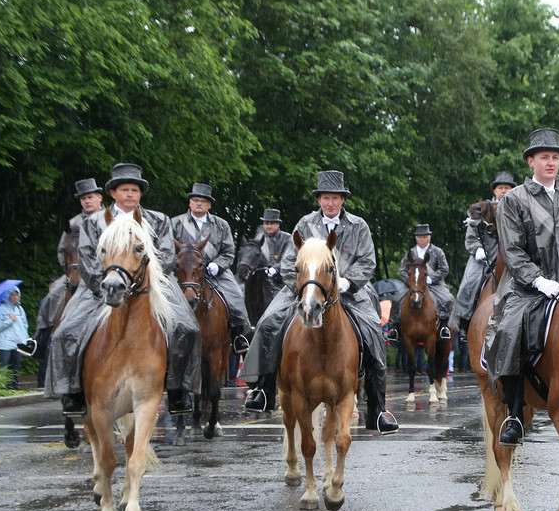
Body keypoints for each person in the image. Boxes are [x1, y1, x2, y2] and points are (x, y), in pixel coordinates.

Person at [240, 170, 398, 434]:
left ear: (342, 200)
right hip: (307, 287)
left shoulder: (358, 226)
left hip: (349, 289)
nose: (330, 203)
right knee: (268, 322)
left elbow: (368, 260)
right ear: (319, 200)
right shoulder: (304, 224)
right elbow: (289, 262)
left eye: (335, 198)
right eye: (326, 198)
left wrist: (349, 282)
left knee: (373, 333)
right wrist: (302, 286)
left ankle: (378, 410)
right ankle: (263, 390)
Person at [44, 163, 201, 416]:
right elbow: (86, 256)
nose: (130, 194)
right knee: (66, 331)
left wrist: (143, 281)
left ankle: (178, 390)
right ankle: (72, 392)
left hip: (154, 282)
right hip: (101, 283)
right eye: (124, 189)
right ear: (113, 194)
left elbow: (167, 255)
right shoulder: (94, 222)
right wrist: (104, 284)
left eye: (134, 190)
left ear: (140, 194)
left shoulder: (158, 220)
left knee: (187, 327)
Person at [483, 128, 559, 446]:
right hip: (525, 286)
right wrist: (538, 280)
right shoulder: (513, 200)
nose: (551, 162)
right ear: (531, 161)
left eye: (555, 157)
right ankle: (515, 412)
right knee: (509, 329)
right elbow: (512, 251)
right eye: (544, 157)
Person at [170, 183, 255, 354]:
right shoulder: (175, 223)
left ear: (209, 205)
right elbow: (167, 249)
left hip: (215, 272)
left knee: (236, 297)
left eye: (203, 201)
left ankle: (239, 336)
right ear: (189, 203)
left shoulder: (221, 225)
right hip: (184, 273)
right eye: (195, 200)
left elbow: (229, 252)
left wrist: (218, 265)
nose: (199, 203)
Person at [33, 178, 104, 379]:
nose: (87, 201)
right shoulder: (73, 223)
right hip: (76, 272)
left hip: (105, 273)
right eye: (83, 198)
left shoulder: (111, 218)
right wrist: (70, 269)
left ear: (99, 197)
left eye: (90, 197)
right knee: (54, 292)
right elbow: (61, 250)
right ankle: (39, 339)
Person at [447, 171, 515, 336]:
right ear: (495, 191)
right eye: (501, 188)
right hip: (483, 257)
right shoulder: (483, 210)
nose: (504, 191)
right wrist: (477, 249)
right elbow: (471, 237)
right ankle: (464, 321)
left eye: (507, 187)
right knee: (470, 283)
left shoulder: (517, 210)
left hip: (512, 256)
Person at [387, 223, 455, 342]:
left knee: (448, 299)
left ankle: (445, 327)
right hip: (413, 285)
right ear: (416, 238)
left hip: (434, 284)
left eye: (424, 237)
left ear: (429, 237)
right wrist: (410, 281)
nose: (422, 239)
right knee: (396, 299)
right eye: (419, 237)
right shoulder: (410, 253)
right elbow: (402, 270)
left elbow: (444, 268)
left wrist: (431, 278)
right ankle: (394, 328)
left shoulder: (437, 252)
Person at [0, 287, 30, 390]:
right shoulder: (0, 309)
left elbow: (25, 326)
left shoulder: (20, 309)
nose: (15, 297)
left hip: (18, 343)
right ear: (8, 296)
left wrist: (25, 340)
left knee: (16, 367)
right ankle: (3, 387)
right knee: (4, 367)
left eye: (16, 295)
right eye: (13, 295)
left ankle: (14, 386)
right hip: (4, 344)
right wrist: (9, 320)